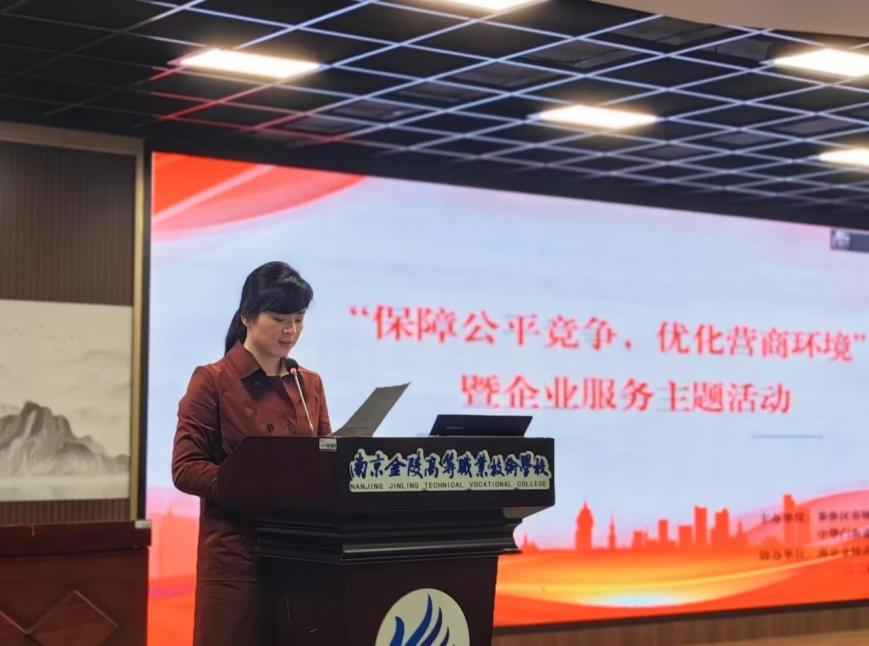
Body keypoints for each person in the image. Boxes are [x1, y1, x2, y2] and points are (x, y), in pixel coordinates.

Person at [171, 261, 331, 646]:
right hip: (237, 559)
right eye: (279, 319)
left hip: (300, 555)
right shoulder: (212, 380)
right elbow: (185, 467)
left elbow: (326, 457)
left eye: (299, 319)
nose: (291, 331)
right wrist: (253, 484)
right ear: (247, 317)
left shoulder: (308, 383)